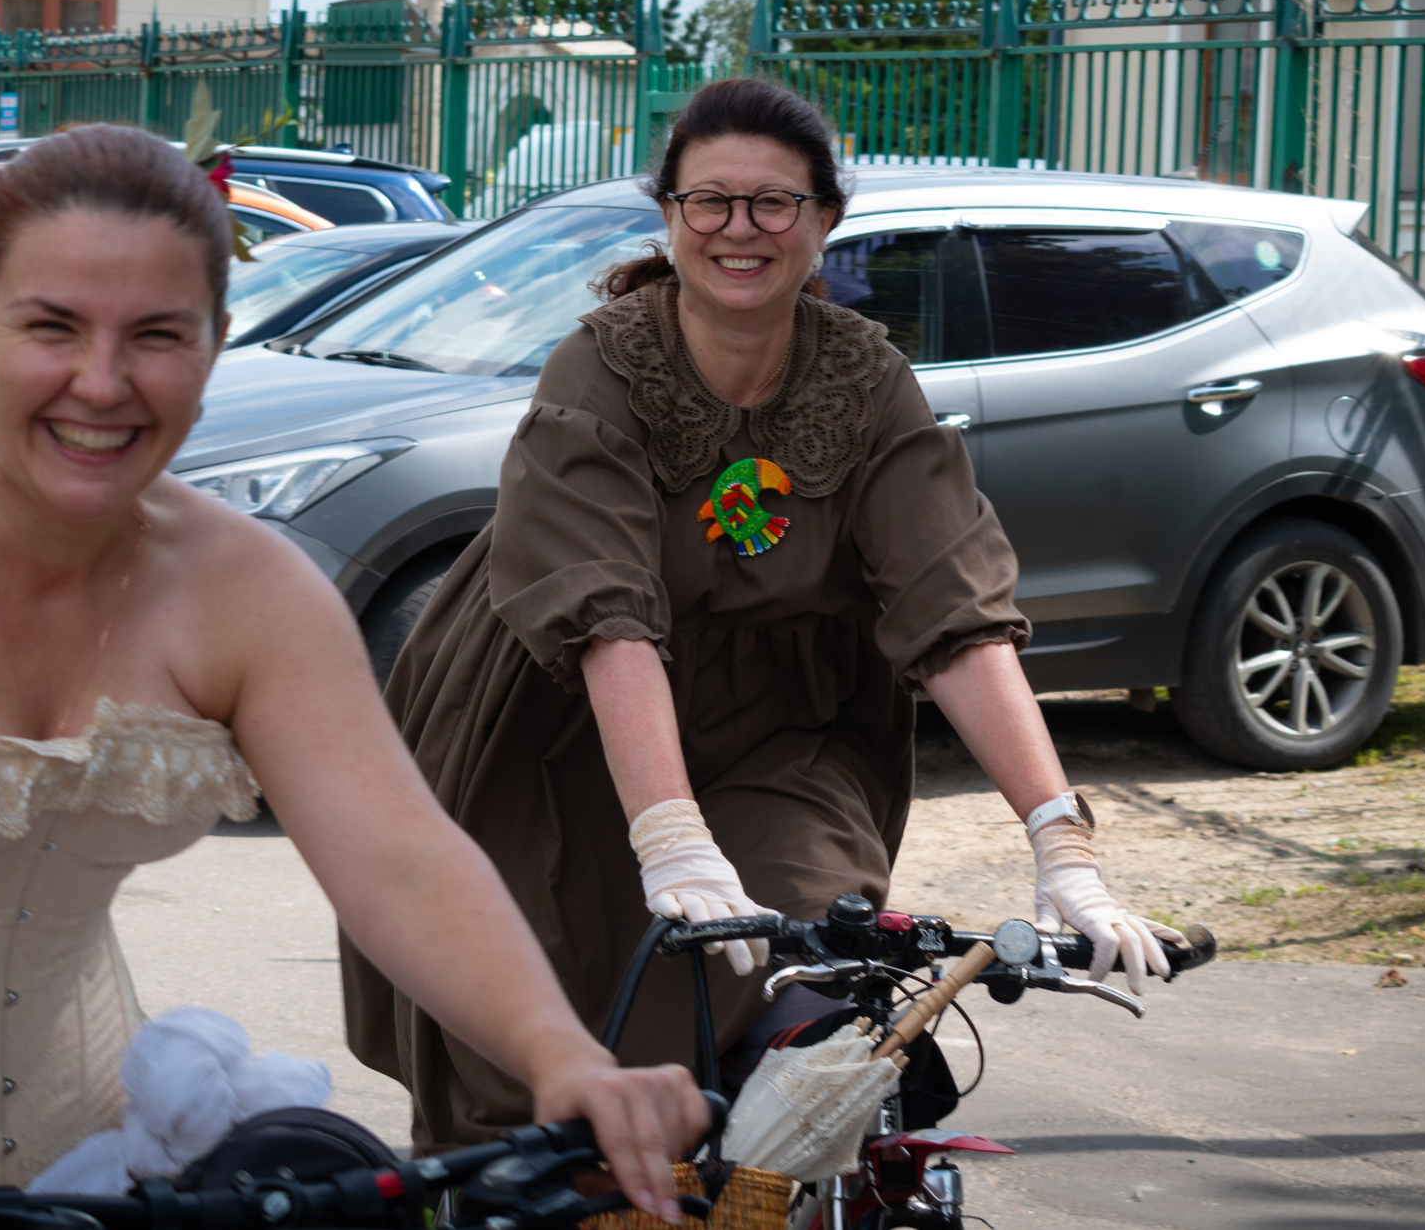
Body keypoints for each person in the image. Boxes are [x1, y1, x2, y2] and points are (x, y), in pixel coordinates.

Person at [0, 125, 705, 1230]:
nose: (101, 384)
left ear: (215, 344)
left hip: (78, 1160)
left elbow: (397, 861)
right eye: (51, 327)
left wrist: (566, 1061)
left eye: (156, 336)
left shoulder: (248, 586)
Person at [342, 79, 1181, 1149]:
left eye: (774, 203)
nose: (741, 228)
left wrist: (1060, 843)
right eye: (711, 201)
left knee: (804, 973)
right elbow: (608, 620)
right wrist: (671, 837)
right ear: (669, 216)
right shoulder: (599, 369)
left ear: (824, 219)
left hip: (786, 726)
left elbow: (955, 616)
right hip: (560, 729)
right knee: (534, 1046)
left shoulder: (865, 379)